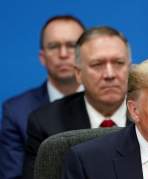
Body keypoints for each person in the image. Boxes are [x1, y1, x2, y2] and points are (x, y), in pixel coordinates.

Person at [23, 26, 132, 179]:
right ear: (78, 74)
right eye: (97, 64)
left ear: (131, 68)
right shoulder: (46, 123)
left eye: (119, 63)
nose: (110, 74)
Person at [0, 15, 85, 179]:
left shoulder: (109, 102)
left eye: (71, 45)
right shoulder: (17, 111)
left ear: (87, 53)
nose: (63, 54)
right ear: (42, 58)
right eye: (54, 46)